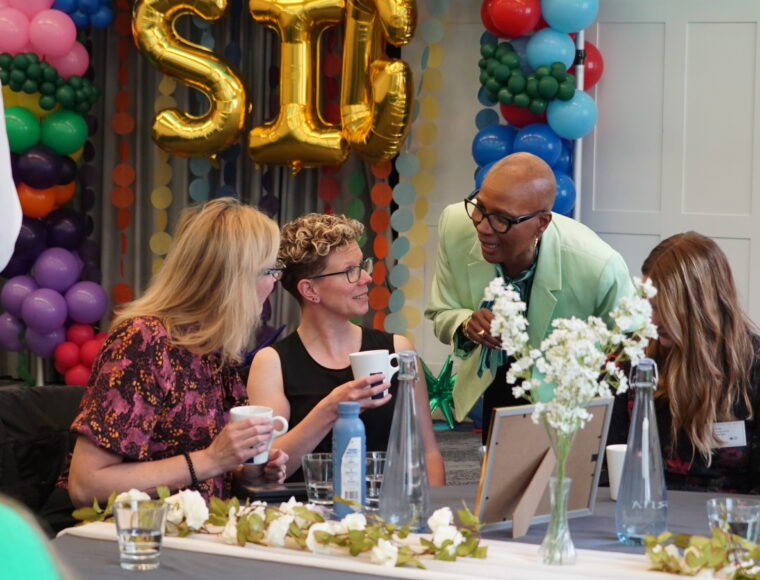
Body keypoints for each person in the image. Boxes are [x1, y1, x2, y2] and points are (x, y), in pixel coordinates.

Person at [65, 198, 288, 508]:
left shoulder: (214, 349)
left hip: (203, 530)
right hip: (140, 532)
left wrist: (246, 469)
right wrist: (212, 459)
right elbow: (86, 485)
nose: (275, 282)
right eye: (270, 271)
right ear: (236, 278)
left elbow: (205, 468)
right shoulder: (144, 341)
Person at [425, 152, 635, 443]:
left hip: (577, 401)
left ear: (542, 223)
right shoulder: (455, 225)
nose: (482, 226)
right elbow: (441, 312)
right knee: (499, 471)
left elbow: (633, 350)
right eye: (480, 207)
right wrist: (465, 323)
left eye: (502, 219)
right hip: (501, 379)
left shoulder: (599, 266)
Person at [248, 213, 445, 484]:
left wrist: (437, 507)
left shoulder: (398, 350)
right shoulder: (271, 362)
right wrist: (330, 409)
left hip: (390, 508)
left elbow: (427, 451)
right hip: (305, 508)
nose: (366, 278)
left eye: (362, 266)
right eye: (349, 271)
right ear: (309, 290)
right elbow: (267, 469)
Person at [609, 232, 760, 493]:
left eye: (661, 308)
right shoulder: (631, 357)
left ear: (699, 308)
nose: (650, 320)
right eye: (647, 305)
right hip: (645, 507)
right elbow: (606, 465)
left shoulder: (752, 366)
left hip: (727, 515)